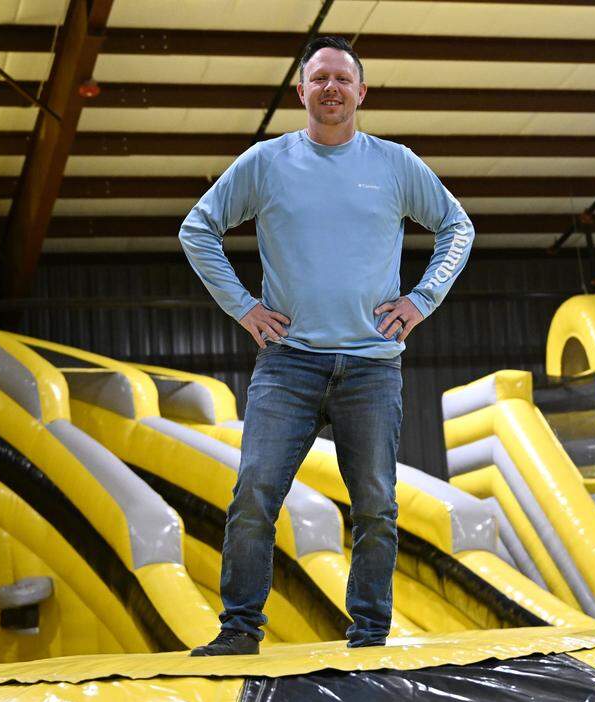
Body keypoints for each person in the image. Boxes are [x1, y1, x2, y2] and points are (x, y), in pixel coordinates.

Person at [180, 36, 474, 656]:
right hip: (287, 362)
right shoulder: (267, 162)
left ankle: (369, 633)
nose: (332, 89)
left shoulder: (394, 165)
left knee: (375, 505)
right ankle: (239, 630)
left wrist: (421, 301)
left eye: (343, 79)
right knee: (255, 492)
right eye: (320, 80)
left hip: (371, 367)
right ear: (302, 92)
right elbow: (197, 228)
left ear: (361, 92)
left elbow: (457, 227)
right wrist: (245, 308)